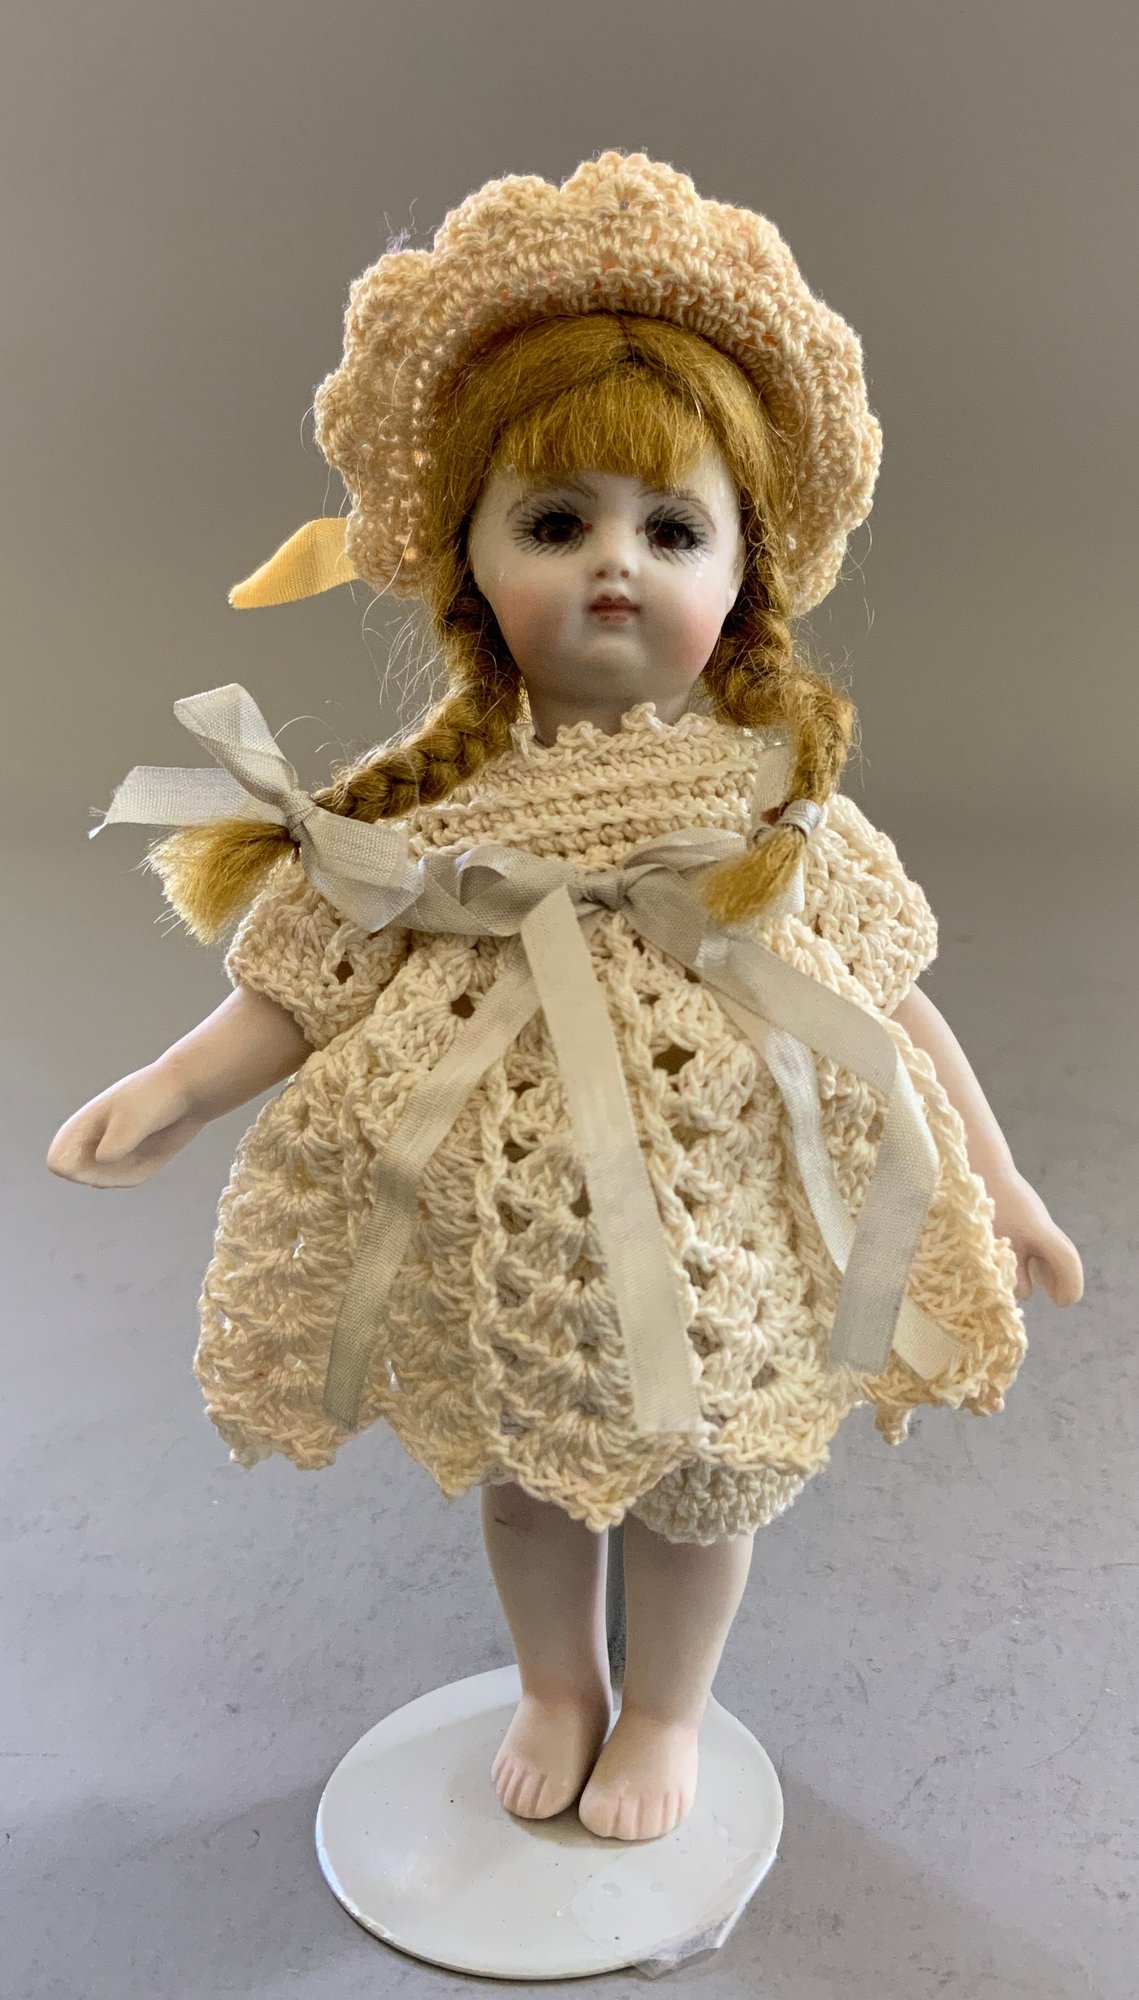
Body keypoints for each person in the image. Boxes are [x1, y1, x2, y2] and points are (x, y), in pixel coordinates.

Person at [46, 154, 1082, 1843]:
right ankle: (558, 1685)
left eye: (670, 529)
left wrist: (1005, 1176)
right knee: (533, 1486)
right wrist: (174, 1084)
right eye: (556, 523)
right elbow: (312, 974)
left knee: (703, 1491)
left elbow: (892, 1006)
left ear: (741, 578)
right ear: (469, 566)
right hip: (506, 1225)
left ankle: (666, 1705)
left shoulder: (770, 802)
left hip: (722, 1227)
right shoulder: (433, 804)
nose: (616, 566)